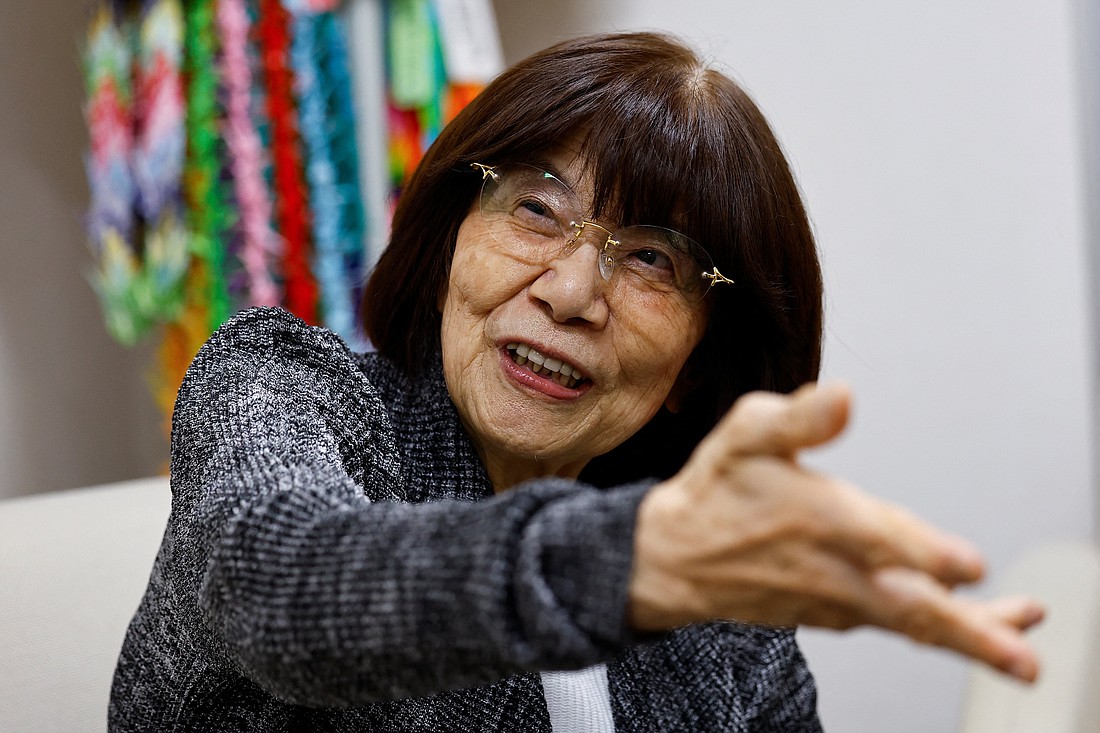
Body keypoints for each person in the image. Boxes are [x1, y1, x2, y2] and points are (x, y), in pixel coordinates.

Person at [109, 32, 1042, 732]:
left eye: (651, 259)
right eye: (537, 208)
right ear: (448, 246)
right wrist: (628, 563)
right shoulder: (277, 385)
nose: (568, 292)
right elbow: (274, 580)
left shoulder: (711, 578)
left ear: (699, 365)